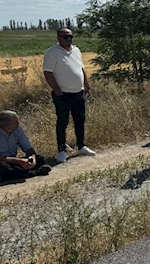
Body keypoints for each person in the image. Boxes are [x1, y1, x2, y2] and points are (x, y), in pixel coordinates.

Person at [43, 27, 96, 164]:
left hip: (79, 93)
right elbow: (48, 73)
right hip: (62, 95)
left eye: (70, 36)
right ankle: (61, 151)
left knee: (80, 120)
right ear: (58, 38)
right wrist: (57, 90)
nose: (68, 39)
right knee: (62, 122)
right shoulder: (52, 53)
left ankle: (81, 146)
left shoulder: (76, 51)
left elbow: (81, 69)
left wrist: (87, 85)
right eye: (65, 37)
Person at [0, 110, 51, 182]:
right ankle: (35, 172)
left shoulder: (18, 130)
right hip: (3, 161)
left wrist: (32, 157)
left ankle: (24, 171)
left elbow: (28, 148)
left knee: (40, 158)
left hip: (13, 161)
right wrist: (19, 161)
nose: (18, 124)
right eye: (15, 123)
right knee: (4, 168)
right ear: (6, 126)